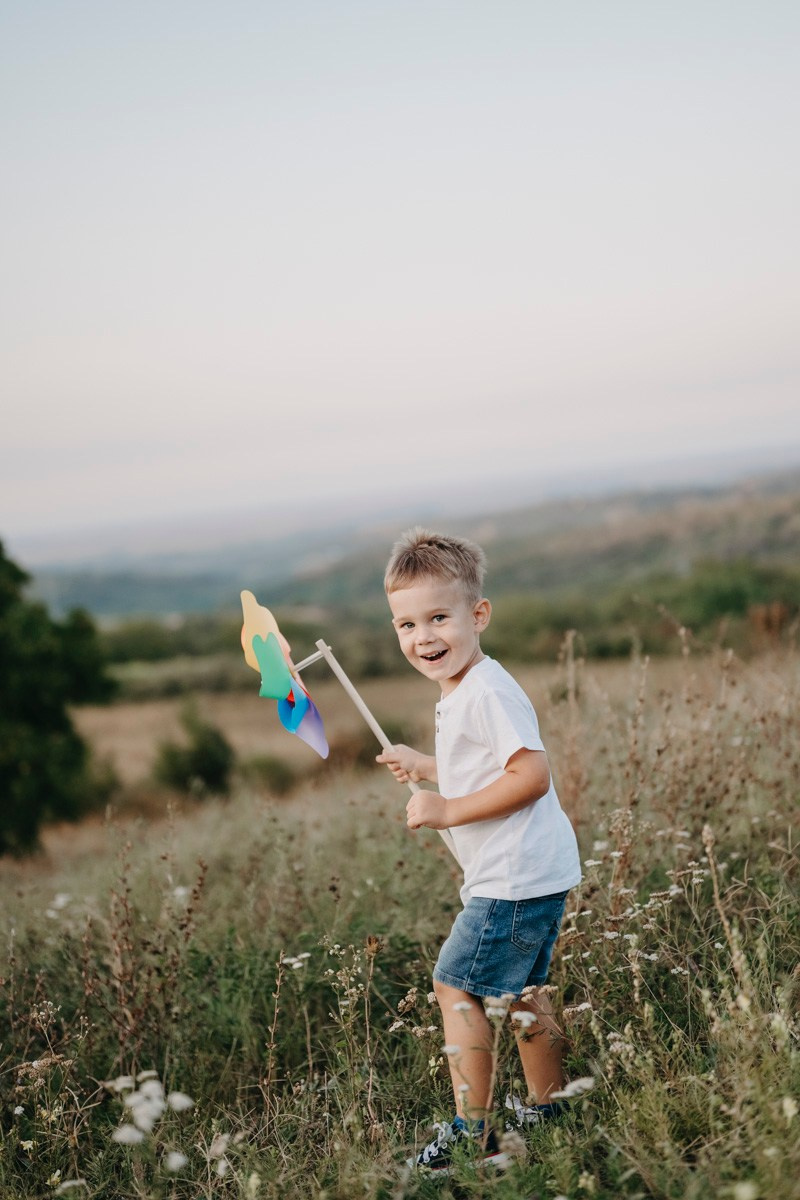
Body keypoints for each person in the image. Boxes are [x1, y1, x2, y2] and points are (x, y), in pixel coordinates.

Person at [377, 528, 582, 1172]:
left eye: (439, 618)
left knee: (454, 988)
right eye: (407, 624)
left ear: (479, 615)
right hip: (532, 870)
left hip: (512, 876)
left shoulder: (487, 690)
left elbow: (530, 776)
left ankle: (474, 1134)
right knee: (524, 992)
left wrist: (446, 810)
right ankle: (552, 1108)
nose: (424, 637)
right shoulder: (464, 688)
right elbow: (484, 767)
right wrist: (428, 767)